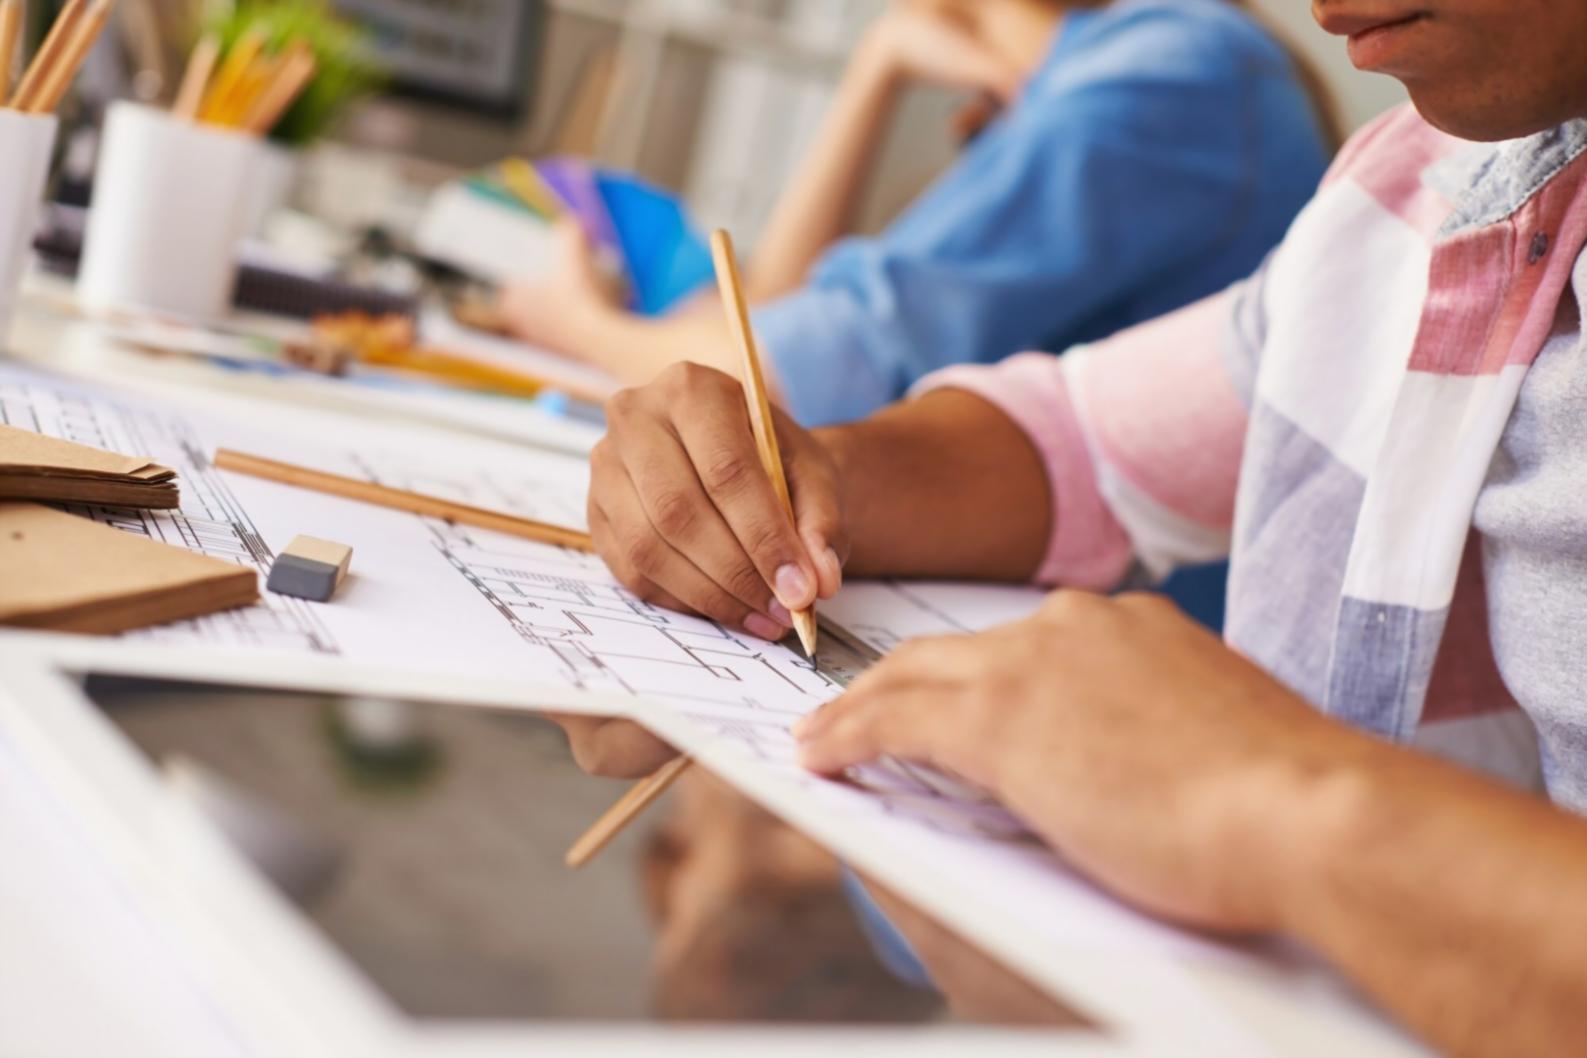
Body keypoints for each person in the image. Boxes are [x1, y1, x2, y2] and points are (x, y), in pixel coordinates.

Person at [562, 0, 1587, 1053]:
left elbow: (827, 343)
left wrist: (1271, 795)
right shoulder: (1428, 184)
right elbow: (1087, 441)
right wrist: (804, 481)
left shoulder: (1180, 73)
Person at [500, 0, 1334, 429]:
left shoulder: (1164, 79)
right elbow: (777, 325)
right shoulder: (1148, 69)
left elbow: (771, 390)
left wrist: (570, 318)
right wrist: (877, 64)